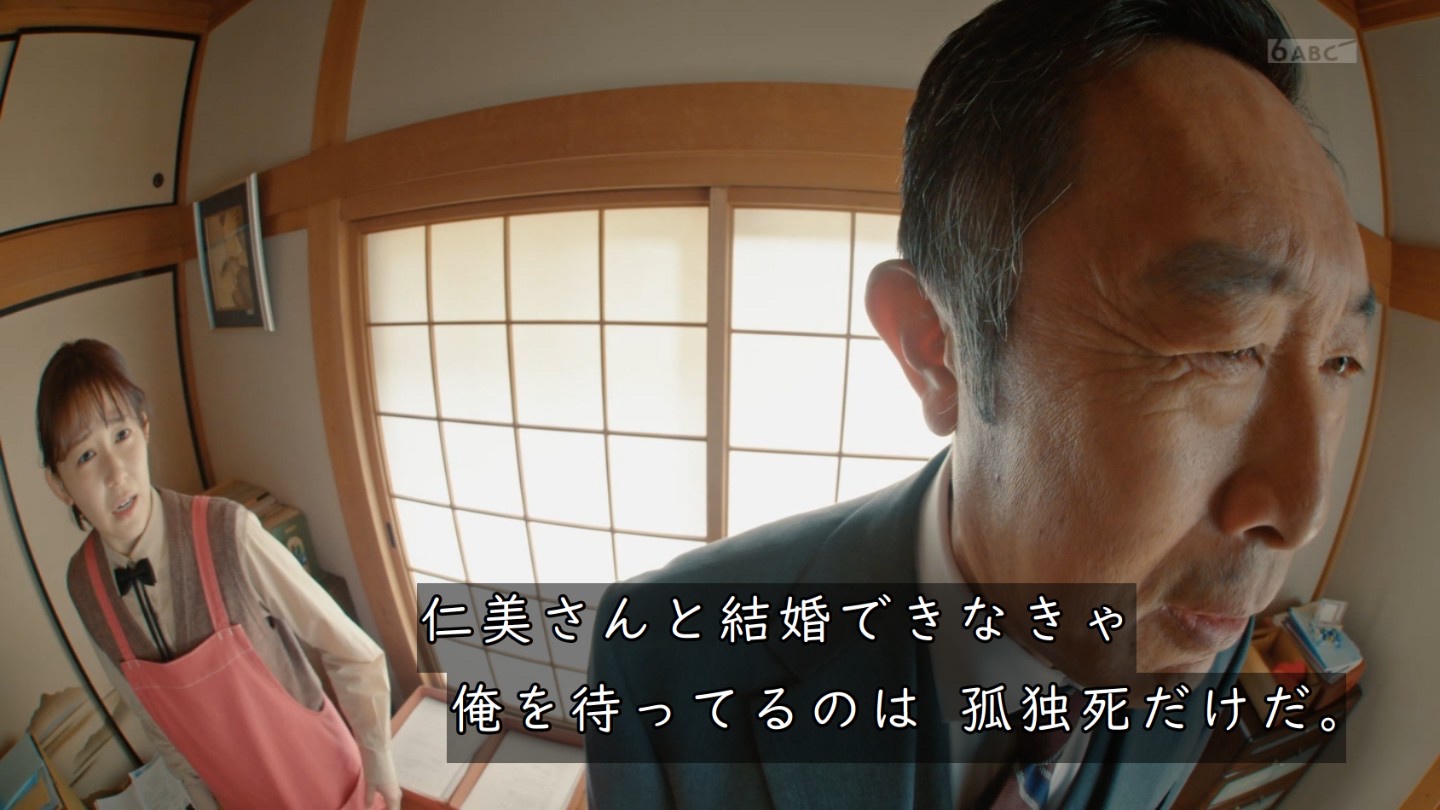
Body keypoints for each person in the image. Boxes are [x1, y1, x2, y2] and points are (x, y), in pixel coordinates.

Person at [585, 0, 1374, 807]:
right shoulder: (668, 653)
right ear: (936, 348)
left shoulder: (1203, 624)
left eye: (1340, 359)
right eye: (1227, 344)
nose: (1300, 512)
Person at [36, 339, 403, 810]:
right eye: (85, 456)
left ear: (145, 428)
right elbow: (157, 726)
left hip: (329, 785)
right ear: (58, 484)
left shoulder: (227, 532)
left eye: (121, 435)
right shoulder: (85, 587)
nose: (115, 473)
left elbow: (351, 651)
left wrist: (378, 757)